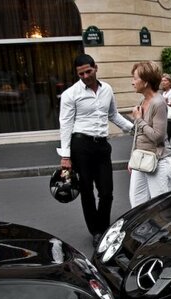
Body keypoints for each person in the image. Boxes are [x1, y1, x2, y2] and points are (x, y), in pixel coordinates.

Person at [58, 53, 133, 248]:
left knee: (106, 191)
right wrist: (65, 156)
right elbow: (65, 124)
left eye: (88, 72)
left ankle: (103, 226)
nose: (85, 76)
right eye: (80, 74)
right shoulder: (70, 94)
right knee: (87, 191)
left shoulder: (107, 89)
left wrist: (134, 128)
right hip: (80, 146)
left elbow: (113, 115)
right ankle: (97, 231)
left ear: (95, 68)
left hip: (102, 146)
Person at [129, 61, 171, 208]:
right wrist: (132, 156)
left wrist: (138, 120)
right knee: (137, 205)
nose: (132, 82)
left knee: (161, 209)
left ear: (146, 82)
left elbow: (158, 136)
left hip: (158, 160)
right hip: (141, 158)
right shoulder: (142, 100)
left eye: (135, 78)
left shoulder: (158, 103)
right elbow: (138, 133)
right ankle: (143, 232)